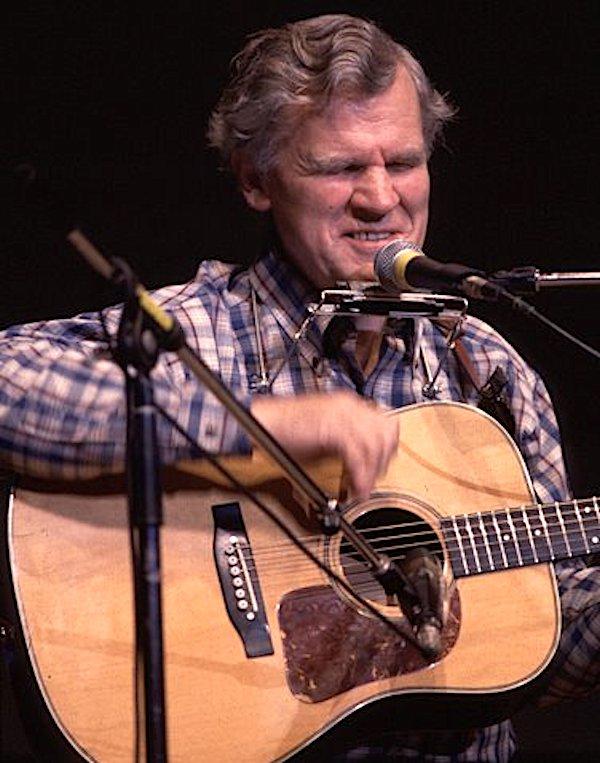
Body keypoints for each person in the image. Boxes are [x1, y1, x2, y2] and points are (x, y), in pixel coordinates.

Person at [0, 13, 598, 761]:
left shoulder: (490, 370)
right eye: (341, 168)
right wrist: (254, 428)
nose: (382, 198)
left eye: (404, 163)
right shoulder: (196, 332)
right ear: (256, 179)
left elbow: (550, 638)